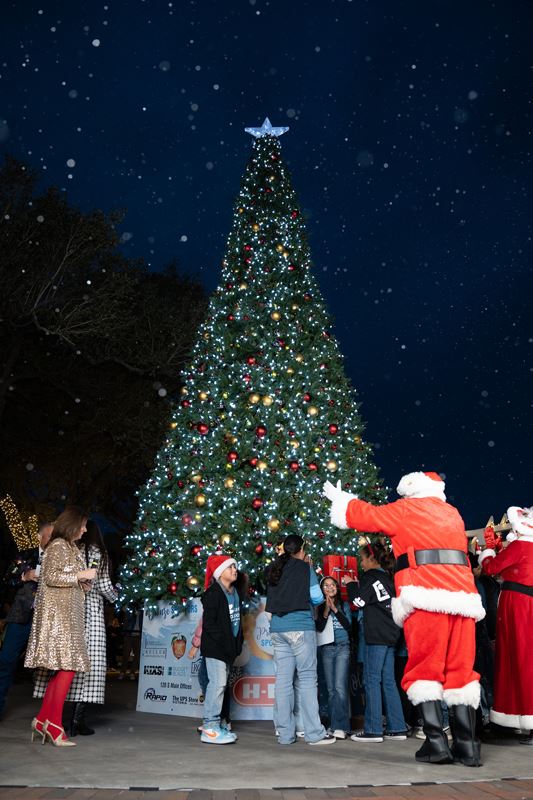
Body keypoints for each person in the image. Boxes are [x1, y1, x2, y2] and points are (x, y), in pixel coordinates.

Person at [324, 471, 485, 766]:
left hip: (425, 595)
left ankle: (437, 743)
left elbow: (369, 517)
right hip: (463, 598)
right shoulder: (453, 514)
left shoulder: (407, 509)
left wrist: (342, 500)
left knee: (426, 668)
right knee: (461, 671)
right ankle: (468, 746)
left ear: (411, 490)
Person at [24, 507, 96, 747]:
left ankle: (44, 719)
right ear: (73, 524)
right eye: (83, 525)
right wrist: (78, 576)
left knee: (65, 669)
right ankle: (53, 724)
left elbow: (66, 576)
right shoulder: (57, 546)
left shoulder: (71, 547)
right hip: (59, 619)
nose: (85, 530)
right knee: (68, 668)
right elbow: (50, 577)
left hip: (69, 614)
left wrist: (83, 583)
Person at [266, 534, 335, 746]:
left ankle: (285, 734)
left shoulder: (272, 569)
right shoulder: (305, 569)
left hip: (278, 629)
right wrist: (309, 570)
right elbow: (316, 598)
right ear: (301, 549)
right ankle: (314, 733)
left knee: (283, 681)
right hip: (300, 628)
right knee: (306, 679)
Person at [479, 505, 533, 745]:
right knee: (520, 659)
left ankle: (517, 719)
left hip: (516, 605)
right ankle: (512, 718)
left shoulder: (521, 546)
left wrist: (489, 549)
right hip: (525, 604)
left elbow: (491, 568)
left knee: (514, 660)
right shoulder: (525, 547)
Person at [342, 542, 407, 743]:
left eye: (362, 559)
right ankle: (397, 727)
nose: (361, 563)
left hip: (376, 635)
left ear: (372, 559)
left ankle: (373, 729)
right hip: (391, 634)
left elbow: (357, 602)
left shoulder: (369, 578)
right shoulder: (389, 579)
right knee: (388, 680)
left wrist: (350, 584)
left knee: (371, 680)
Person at [66, 520, 118, 735]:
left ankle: (57, 717)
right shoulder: (99, 553)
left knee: (69, 662)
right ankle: (77, 721)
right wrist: (115, 596)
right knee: (90, 664)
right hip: (92, 611)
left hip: (71, 607)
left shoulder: (73, 549)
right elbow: (103, 583)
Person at [0, 522, 54, 720]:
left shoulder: (60, 558)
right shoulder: (26, 554)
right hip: (21, 616)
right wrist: (25, 575)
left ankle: (50, 717)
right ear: (40, 537)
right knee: (6, 661)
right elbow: (8, 578)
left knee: (53, 666)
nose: (53, 541)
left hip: (49, 619)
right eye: (50, 536)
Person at [200, 553, 243, 744]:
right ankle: (209, 727)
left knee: (221, 685)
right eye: (230, 567)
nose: (235, 570)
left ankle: (216, 725)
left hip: (228, 649)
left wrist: (236, 644)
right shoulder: (213, 594)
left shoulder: (234, 593)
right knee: (216, 685)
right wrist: (225, 645)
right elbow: (210, 624)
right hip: (216, 649)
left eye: (235, 567)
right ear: (219, 573)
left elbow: (236, 623)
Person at [315, 576, 352, 738]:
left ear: (337, 588)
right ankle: (333, 723)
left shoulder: (343, 604)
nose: (330, 588)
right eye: (325, 585)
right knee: (330, 690)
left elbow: (349, 625)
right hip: (327, 649)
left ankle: (342, 726)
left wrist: (335, 610)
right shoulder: (319, 606)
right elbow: (319, 628)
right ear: (321, 590)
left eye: (332, 585)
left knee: (340, 688)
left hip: (343, 648)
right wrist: (326, 611)